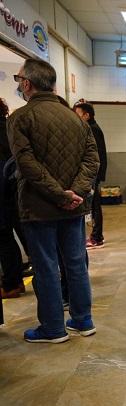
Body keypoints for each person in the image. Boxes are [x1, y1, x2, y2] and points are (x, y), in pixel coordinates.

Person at [8, 58, 99, 343]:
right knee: (75, 264)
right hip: (73, 207)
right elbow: (91, 159)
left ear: (26, 83)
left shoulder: (19, 118)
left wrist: (60, 194)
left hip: (38, 208)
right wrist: (76, 193)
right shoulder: (75, 117)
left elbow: (27, 164)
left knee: (46, 267)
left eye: (18, 79)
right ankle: (83, 320)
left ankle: (53, 328)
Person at [0, 97, 25, 299]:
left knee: (4, 239)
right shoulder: (10, 128)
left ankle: (12, 283)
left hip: (5, 194)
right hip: (17, 191)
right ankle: (16, 281)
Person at [74, 102, 107, 248]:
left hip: (92, 175)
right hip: (92, 174)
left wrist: (95, 175)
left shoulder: (92, 129)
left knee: (94, 205)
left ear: (87, 115)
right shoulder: (89, 128)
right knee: (93, 204)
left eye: (78, 114)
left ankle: (97, 237)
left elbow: (95, 156)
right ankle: (96, 236)